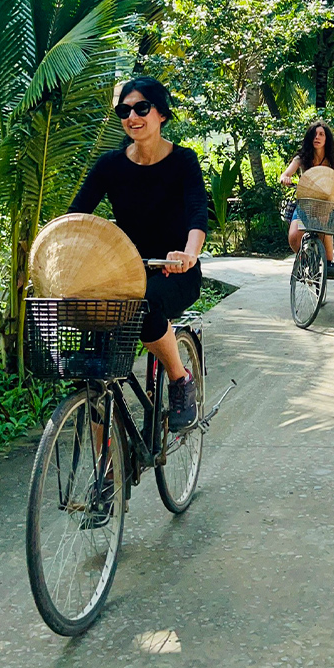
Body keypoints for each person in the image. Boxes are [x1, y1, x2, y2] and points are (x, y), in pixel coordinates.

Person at [68, 77, 208, 431]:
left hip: (175, 272)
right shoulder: (110, 166)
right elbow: (77, 215)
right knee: (97, 370)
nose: (132, 116)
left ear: (161, 114)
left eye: (141, 108)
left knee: (143, 308)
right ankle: (107, 473)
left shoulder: (183, 162)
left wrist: (188, 254)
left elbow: (197, 214)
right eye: (124, 110)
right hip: (127, 272)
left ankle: (180, 380)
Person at [280, 120, 334, 280]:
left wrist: (333, 188)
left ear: (327, 139)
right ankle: (305, 260)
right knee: (293, 237)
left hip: (326, 203)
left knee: (323, 223)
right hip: (305, 203)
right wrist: (285, 178)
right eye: (314, 134)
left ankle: (329, 262)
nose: (317, 138)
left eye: (321, 134)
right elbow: (286, 174)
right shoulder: (302, 157)